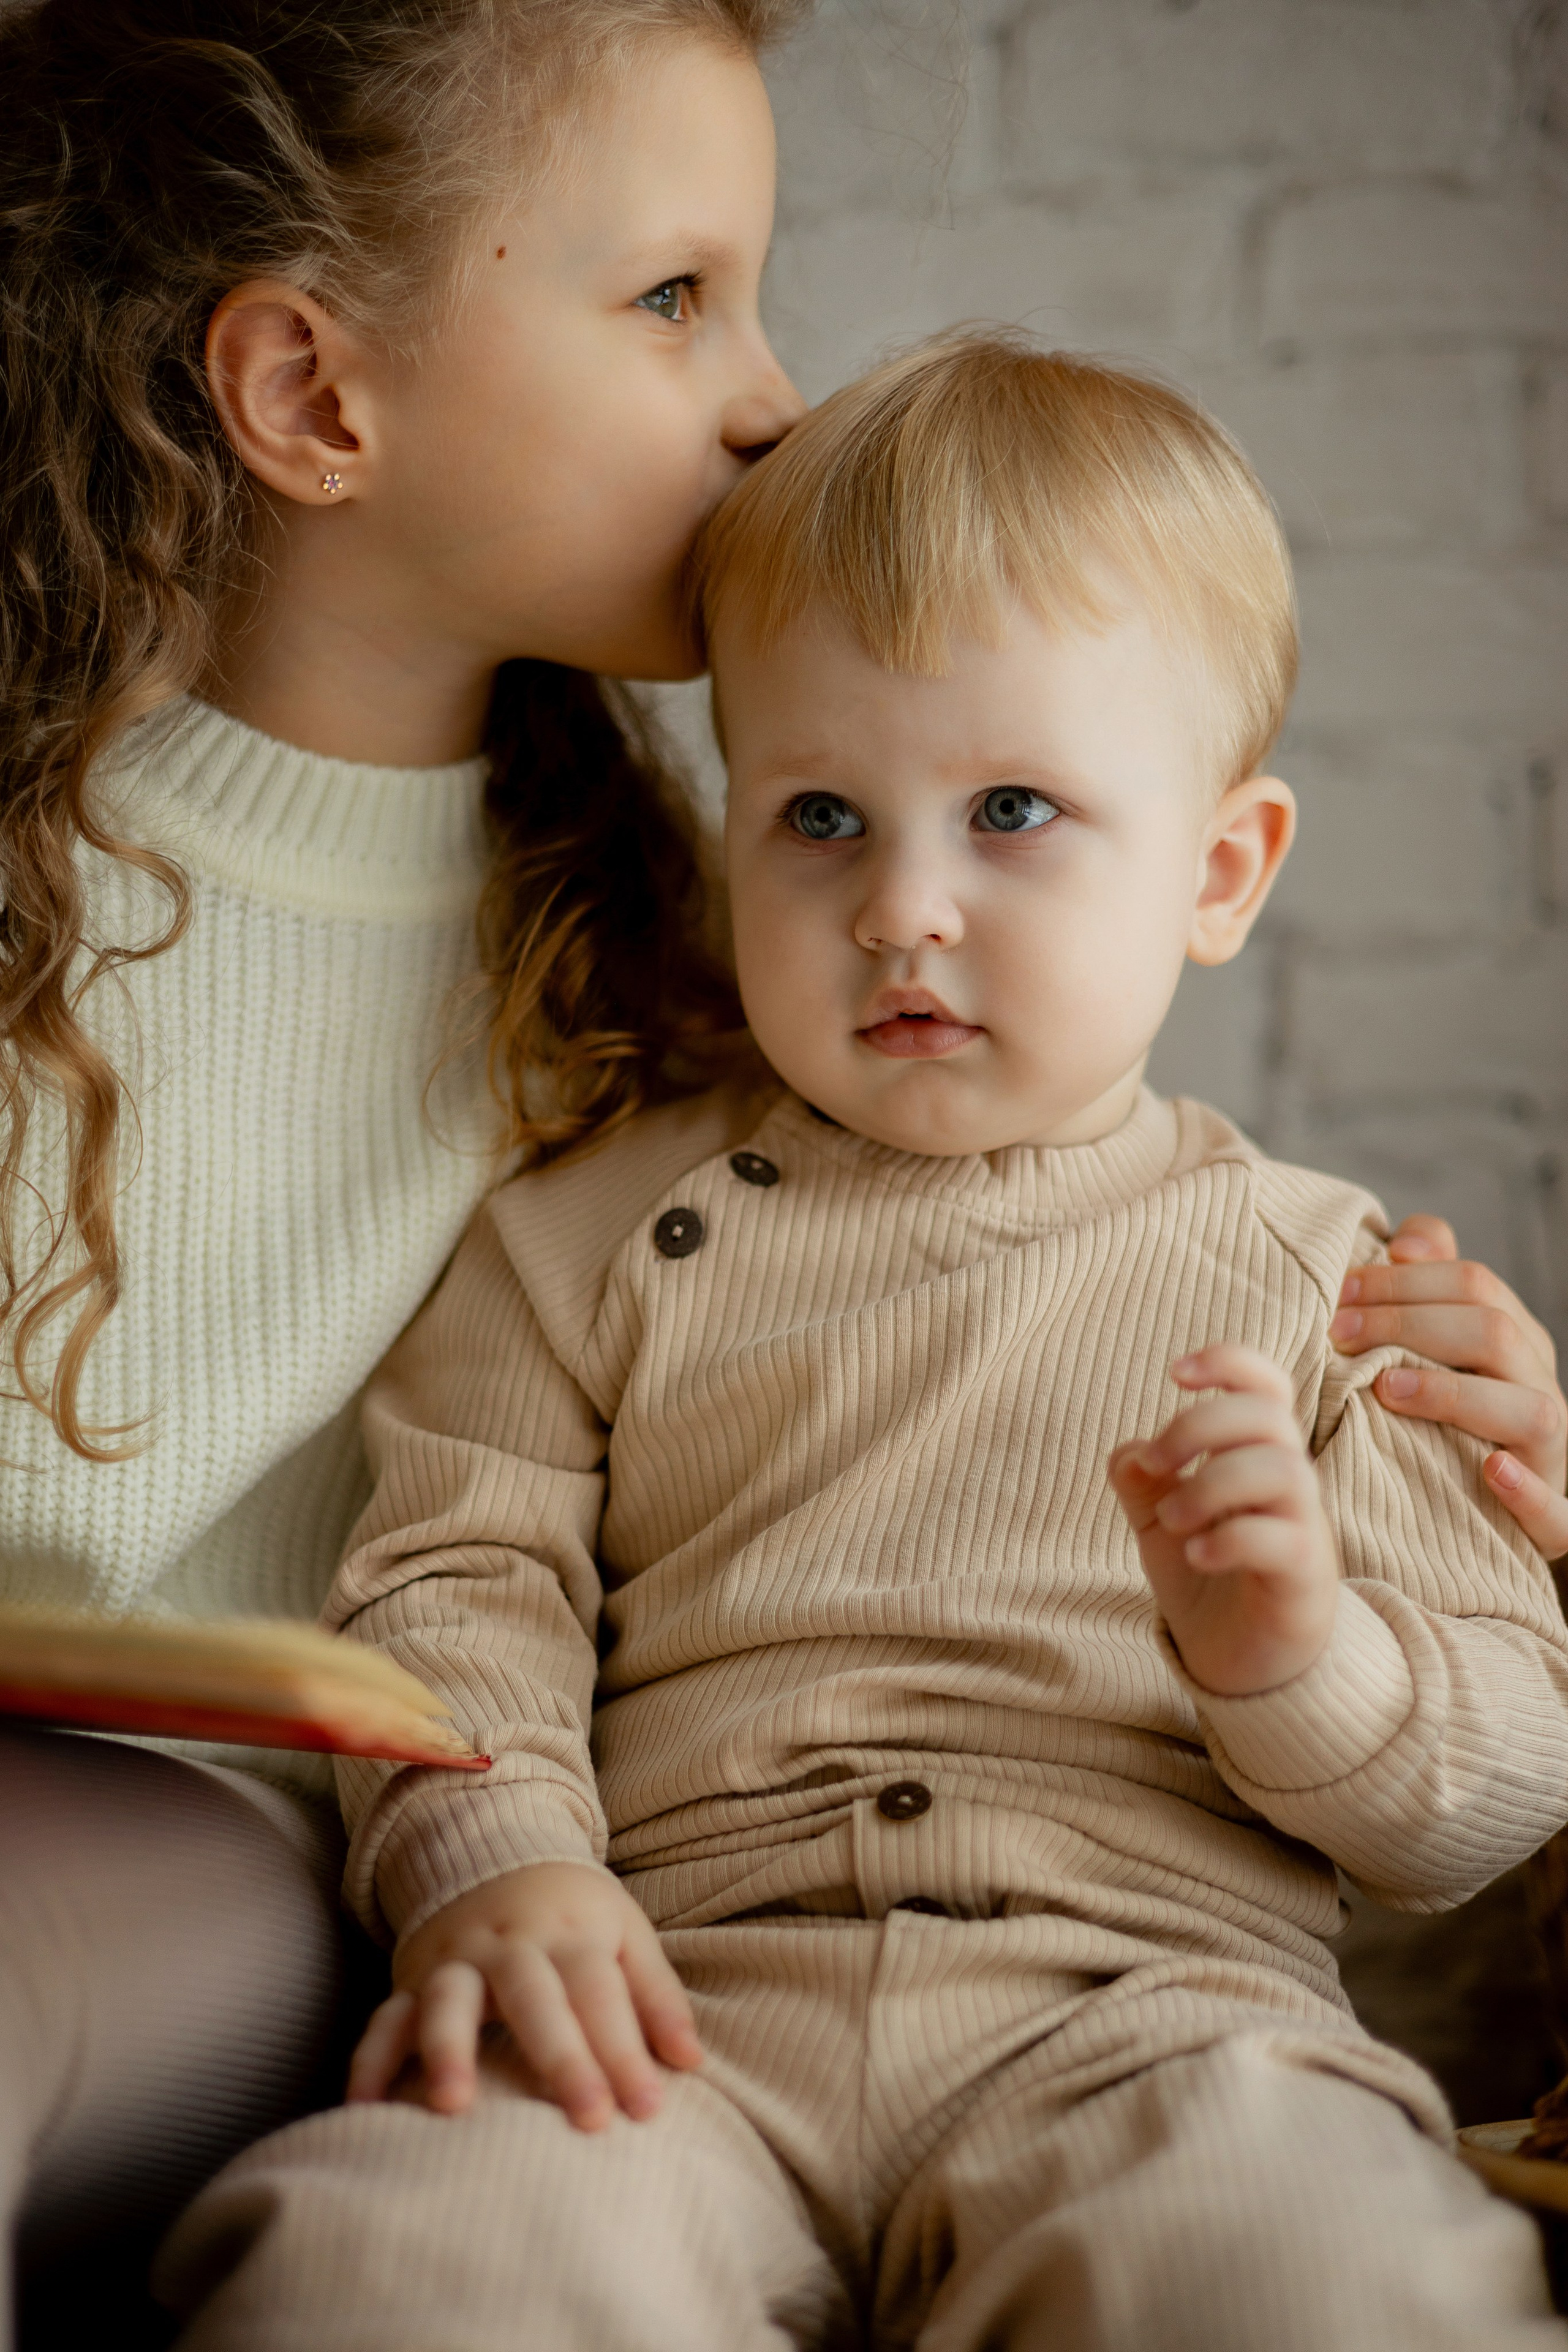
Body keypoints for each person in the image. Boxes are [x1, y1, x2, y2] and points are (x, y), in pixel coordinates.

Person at [157, 338, 1568, 2350]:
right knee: (397, 2262)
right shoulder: (578, 1238)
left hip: (1162, 2024)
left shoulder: (1338, 1287)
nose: (904, 907)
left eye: (1012, 810)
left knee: (1322, 2277)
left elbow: (1489, 1801)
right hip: (681, 2003)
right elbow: (454, 1587)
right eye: (818, 813)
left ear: (1219, 872)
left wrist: (1301, 1657)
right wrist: (499, 1866)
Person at [0, 0, 805, 2325]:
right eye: (675, 298)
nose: (770, 392)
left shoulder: (681, 962)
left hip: (269, 1849)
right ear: (312, 399)